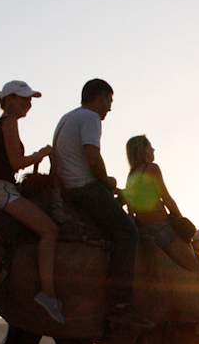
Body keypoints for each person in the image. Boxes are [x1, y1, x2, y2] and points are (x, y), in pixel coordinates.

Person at [52, 78, 142, 326]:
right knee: (128, 233)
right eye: (109, 101)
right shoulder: (90, 119)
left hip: (68, 186)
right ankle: (120, 302)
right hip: (84, 188)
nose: (109, 108)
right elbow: (93, 157)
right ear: (99, 97)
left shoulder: (68, 117)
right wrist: (108, 182)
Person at [0, 80, 64, 324]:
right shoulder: (9, 123)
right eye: (24, 99)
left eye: (30, 99)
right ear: (10, 100)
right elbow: (17, 163)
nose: (28, 103)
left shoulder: (0, 125)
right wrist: (43, 154)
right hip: (0, 191)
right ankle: (48, 294)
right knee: (49, 230)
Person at [122, 134, 198, 272]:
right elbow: (167, 199)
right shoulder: (152, 168)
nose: (153, 149)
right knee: (195, 270)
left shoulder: (131, 176)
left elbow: (131, 209)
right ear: (144, 150)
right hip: (162, 230)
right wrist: (181, 220)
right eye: (150, 147)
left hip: (144, 232)